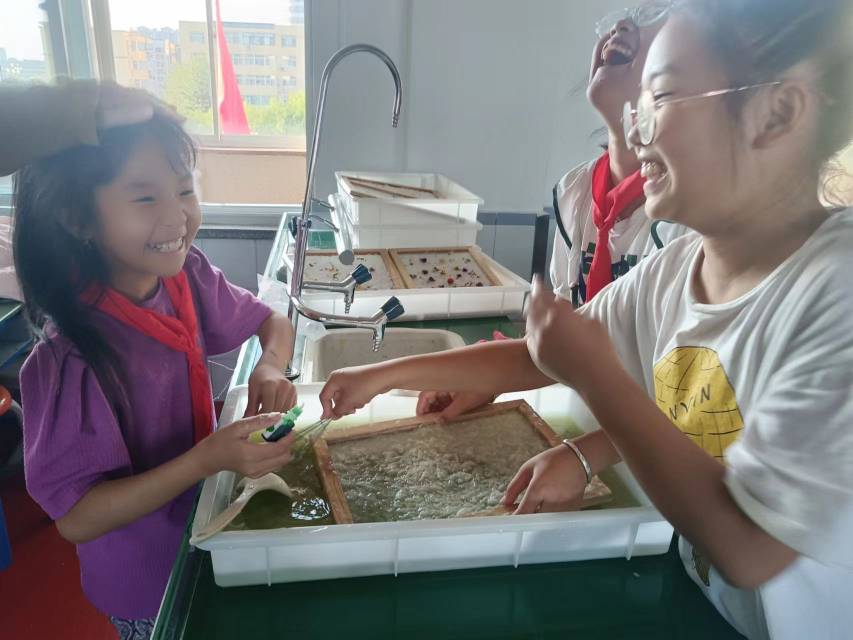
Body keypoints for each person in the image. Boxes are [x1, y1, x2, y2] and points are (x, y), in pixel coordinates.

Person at [318, 1, 853, 637]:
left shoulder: (836, 292)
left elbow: (750, 548)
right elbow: (540, 355)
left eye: (662, 97)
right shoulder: (678, 267)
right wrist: (383, 376)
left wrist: (595, 379)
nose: (638, 131)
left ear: (777, 113)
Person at [15, 101, 297, 639]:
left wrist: (271, 367)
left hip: (203, 533)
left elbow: (273, 321)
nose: (177, 216)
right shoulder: (70, 358)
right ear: (78, 217)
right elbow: (77, 517)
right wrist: (205, 459)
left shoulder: (186, 278)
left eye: (185, 189)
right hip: (146, 583)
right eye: (145, 197)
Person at [416, 2, 689, 421]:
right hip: (584, 415)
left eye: (650, 17)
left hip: (640, 438)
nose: (621, 26)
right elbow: (562, 342)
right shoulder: (574, 192)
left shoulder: (686, 221)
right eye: (626, 14)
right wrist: (489, 375)